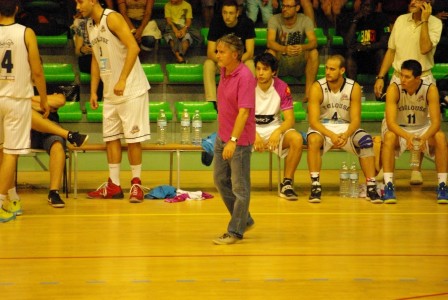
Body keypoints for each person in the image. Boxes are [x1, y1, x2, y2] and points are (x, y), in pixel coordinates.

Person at [75, 0, 151, 203]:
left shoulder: (113, 18)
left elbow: (134, 48)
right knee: (111, 138)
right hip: (110, 92)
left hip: (131, 89)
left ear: (93, 1)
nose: (77, 6)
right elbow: (96, 59)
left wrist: (123, 79)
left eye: (80, 1)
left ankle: (136, 184)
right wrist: (93, 91)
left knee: (133, 139)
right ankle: (114, 185)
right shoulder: (90, 25)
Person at [373, 0, 442, 184]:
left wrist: (425, 21)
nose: (412, 2)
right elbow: (391, 50)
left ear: (427, 4)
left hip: (423, 77)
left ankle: (416, 170)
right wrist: (381, 77)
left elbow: (425, 48)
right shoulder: (401, 20)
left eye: (418, 0)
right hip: (398, 76)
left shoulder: (436, 23)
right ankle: (386, 171)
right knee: (389, 124)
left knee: (420, 122)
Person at [306, 55, 381, 204]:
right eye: (326, 68)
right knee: (313, 140)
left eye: (332, 69)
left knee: (366, 140)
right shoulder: (317, 87)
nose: (327, 72)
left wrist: (346, 134)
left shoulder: (354, 87)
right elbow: (313, 121)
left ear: (342, 70)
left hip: (346, 128)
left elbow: (356, 120)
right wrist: (332, 135)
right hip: (323, 128)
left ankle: (371, 186)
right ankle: (315, 185)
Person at [0, 0, 50, 222]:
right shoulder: (26, 33)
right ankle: (1, 201)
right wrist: (44, 99)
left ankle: (11, 197)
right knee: (11, 153)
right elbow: (37, 71)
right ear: (17, 10)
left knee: (2, 152)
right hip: (16, 99)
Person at [381, 60, 447, 204]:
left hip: (422, 127)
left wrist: (423, 138)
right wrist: (408, 137)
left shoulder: (430, 89)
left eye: (407, 77)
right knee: (389, 136)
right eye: (401, 76)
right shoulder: (394, 88)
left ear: (418, 78)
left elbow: (436, 122)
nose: (402, 80)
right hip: (400, 128)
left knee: (440, 137)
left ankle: (442, 185)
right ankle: (388, 185)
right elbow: (391, 123)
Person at [213, 34, 256, 245]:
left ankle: (235, 231)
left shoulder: (245, 77)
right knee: (220, 180)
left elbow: (244, 113)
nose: (217, 55)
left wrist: (232, 140)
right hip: (222, 137)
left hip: (238, 141)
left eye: (221, 52)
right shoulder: (223, 71)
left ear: (235, 54)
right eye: (217, 51)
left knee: (240, 187)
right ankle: (244, 218)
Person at [253, 53, 304, 200]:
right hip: (250, 129)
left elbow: (289, 119)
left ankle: (287, 184)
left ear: (273, 71)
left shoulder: (282, 87)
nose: (260, 73)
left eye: (265, 69)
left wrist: (278, 131)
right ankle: (236, 184)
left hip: (273, 128)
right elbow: (242, 117)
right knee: (232, 140)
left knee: (296, 139)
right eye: (258, 69)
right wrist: (253, 134)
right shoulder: (248, 85)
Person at [203, 0, 256, 107]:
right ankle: (212, 102)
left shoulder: (247, 23)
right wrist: (225, 62)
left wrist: (234, 63)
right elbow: (210, 52)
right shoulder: (216, 22)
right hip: (221, 62)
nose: (227, 16)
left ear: (237, 13)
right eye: (225, 13)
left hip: (240, 61)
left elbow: (250, 52)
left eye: (231, 13)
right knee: (208, 64)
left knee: (250, 63)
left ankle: (250, 100)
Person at [267, 0, 319, 102]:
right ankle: (271, 94)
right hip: (280, 60)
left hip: (299, 60)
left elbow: (314, 42)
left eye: (288, 6)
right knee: (270, 53)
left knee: (314, 53)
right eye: (283, 6)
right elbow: (270, 42)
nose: (284, 9)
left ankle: (308, 94)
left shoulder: (305, 20)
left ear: (297, 8)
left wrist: (302, 47)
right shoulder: (274, 19)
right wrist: (284, 49)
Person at [337, 0, 390, 80]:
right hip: (358, 57)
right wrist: (355, 21)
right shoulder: (351, 18)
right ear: (360, 6)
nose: (367, 9)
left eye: (370, 6)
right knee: (350, 53)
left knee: (381, 52)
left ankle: (382, 88)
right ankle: (352, 88)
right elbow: (348, 43)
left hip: (373, 56)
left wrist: (368, 47)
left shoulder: (382, 18)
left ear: (375, 7)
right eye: (365, 5)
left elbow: (384, 42)